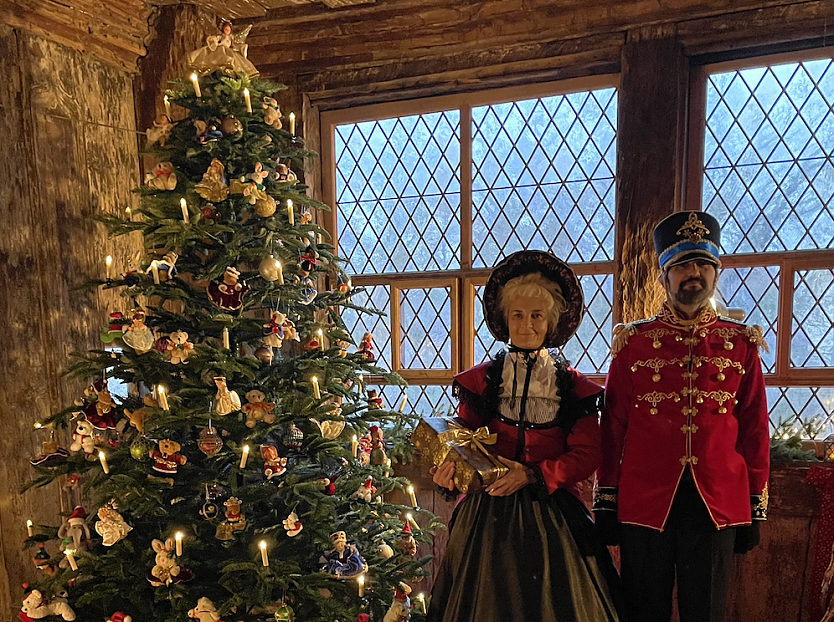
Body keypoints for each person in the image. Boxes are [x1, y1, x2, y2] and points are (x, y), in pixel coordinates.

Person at [594, 211, 770, 622]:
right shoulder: (633, 344)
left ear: (716, 273)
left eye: (703, 264)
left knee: (704, 613)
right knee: (643, 610)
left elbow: (754, 428)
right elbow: (613, 428)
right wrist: (606, 501)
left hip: (716, 507)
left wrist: (754, 504)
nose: (694, 273)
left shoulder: (740, 344)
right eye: (682, 266)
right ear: (664, 278)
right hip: (646, 504)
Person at [428, 250, 621, 622]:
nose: (527, 324)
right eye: (517, 315)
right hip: (487, 512)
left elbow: (588, 454)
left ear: (551, 321)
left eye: (536, 316)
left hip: (553, 511)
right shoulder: (481, 382)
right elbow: (460, 442)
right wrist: (449, 474)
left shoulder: (572, 387)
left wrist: (534, 474)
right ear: (504, 318)